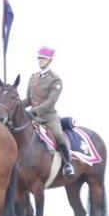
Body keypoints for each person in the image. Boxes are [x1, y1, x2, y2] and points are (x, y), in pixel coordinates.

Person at [22, 46, 75, 178]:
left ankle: (68, 164)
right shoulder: (33, 77)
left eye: (43, 58)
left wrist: (33, 111)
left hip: (48, 117)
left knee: (58, 134)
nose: (40, 60)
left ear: (50, 60)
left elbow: (50, 102)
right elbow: (29, 99)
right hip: (32, 116)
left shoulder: (55, 80)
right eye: (39, 58)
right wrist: (16, 105)